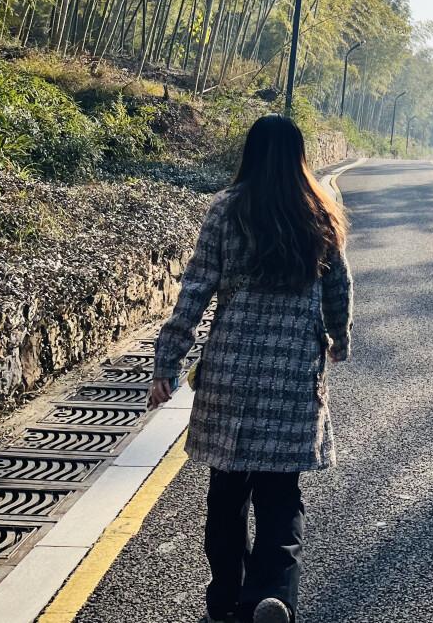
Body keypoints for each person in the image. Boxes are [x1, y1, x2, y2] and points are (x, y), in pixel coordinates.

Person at [149, 113, 353, 623]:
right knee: (281, 496)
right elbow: (339, 288)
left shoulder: (226, 209)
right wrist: (339, 340)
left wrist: (166, 362)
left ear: (250, 153)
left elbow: (195, 288)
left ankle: (225, 602)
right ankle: (273, 594)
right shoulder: (319, 211)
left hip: (232, 371)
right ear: (300, 158)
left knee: (227, 492)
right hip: (291, 374)